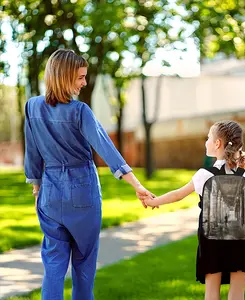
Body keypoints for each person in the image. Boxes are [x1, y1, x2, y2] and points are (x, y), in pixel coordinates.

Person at [24, 49, 153, 300]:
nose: (84, 83)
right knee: (83, 264)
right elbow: (107, 148)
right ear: (64, 77)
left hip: (49, 193)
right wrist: (136, 185)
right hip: (82, 191)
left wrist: (37, 190)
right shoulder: (79, 111)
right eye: (80, 77)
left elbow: (32, 153)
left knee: (53, 265)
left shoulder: (32, 107)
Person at [144, 121, 245, 300]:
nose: (206, 141)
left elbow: (178, 195)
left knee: (211, 294)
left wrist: (154, 201)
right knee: (237, 294)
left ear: (217, 144)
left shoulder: (204, 175)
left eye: (208, 137)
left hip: (212, 243)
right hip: (241, 242)